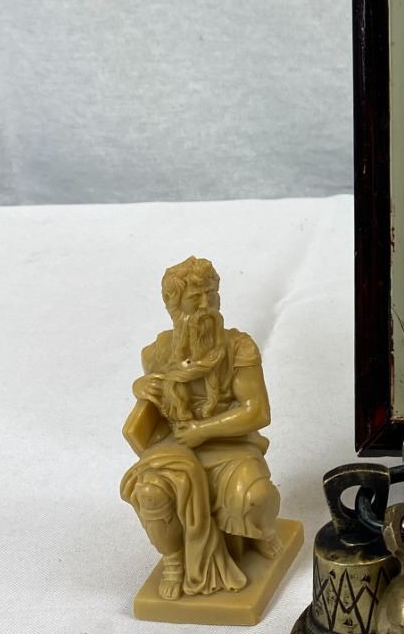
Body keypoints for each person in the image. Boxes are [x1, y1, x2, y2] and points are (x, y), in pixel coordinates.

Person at [120, 256, 282, 600]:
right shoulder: (157, 353)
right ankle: (174, 559)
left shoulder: (239, 346)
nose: (206, 305)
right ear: (174, 306)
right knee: (150, 492)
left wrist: (204, 429)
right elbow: (155, 403)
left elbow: (257, 411)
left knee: (257, 498)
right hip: (175, 446)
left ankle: (259, 533)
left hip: (231, 445)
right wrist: (140, 386)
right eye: (195, 298)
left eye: (212, 295)